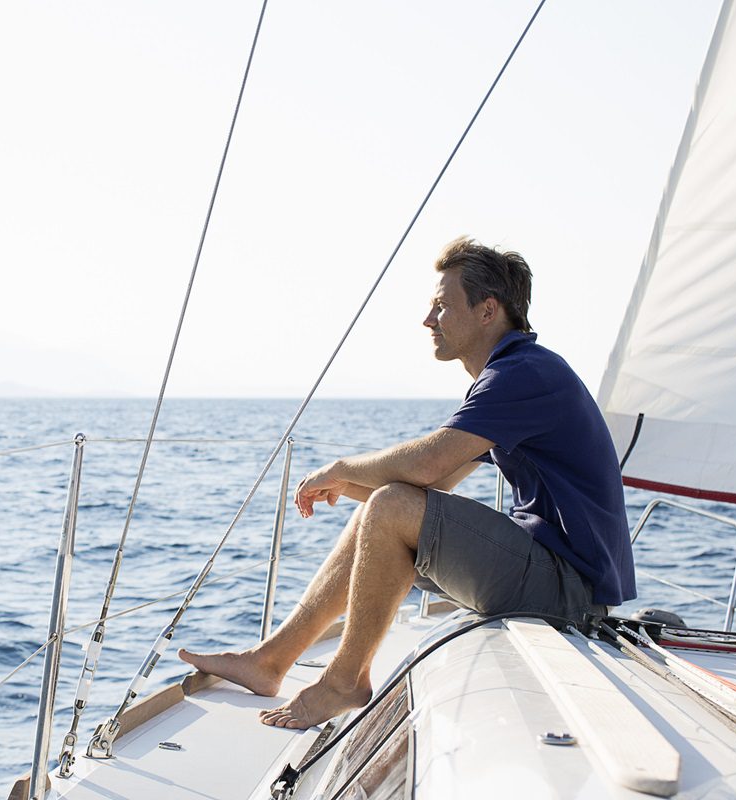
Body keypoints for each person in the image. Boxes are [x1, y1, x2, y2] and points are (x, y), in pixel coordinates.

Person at [178, 236, 636, 729]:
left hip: (571, 591)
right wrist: (354, 489)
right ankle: (269, 661)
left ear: (488, 310)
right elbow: (441, 481)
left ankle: (345, 680)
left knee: (391, 505)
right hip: (553, 575)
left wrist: (341, 469)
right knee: (385, 506)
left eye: (442, 304)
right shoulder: (515, 372)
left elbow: (424, 469)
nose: (428, 319)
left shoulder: (522, 373)